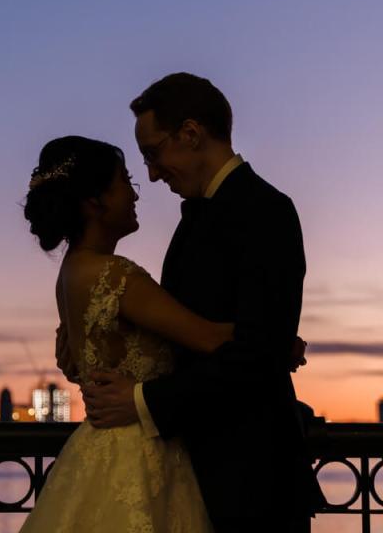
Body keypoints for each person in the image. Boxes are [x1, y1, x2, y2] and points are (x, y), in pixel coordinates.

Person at [75, 72, 325, 532]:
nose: (150, 173)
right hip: (200, 471)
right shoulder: (196, 216)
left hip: (251, 478)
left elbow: (254, 357)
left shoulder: (265, 210)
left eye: (152, 152)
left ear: (190, 134)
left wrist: (143, 402)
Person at [19, 134, 232, 532]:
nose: (136, 195)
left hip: (100, 447)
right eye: (125, 183)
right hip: (140, 451)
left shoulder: (71, 272)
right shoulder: (115, 276)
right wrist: (276, 340)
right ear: (94, 200)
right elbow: (209, 339)